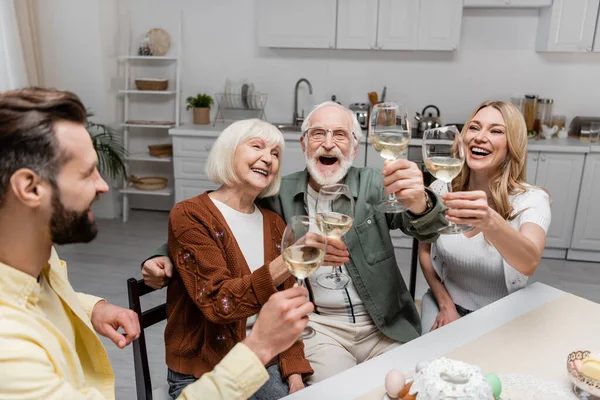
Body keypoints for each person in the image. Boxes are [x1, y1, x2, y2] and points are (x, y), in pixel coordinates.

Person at [0, 88, 315, 400]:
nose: (104, 185)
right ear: (29, 188)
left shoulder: (40, 260)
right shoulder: (11, 351)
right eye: (87, 173)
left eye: (275, 153)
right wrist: (259, 346)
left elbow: (45, 294)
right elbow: (220, 300)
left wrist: (92, 308)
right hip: (214, 368)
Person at [143, 101, 449, 384]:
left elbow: (427, 231)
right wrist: (164, 255)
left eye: (340, 135)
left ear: (355, 148)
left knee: (412, 387)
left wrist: (420, 202)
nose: (328, 143)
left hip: (384, 326)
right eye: (318, 134)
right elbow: (215, 220)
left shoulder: (374, 183)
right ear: (303, 145)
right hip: (321, 329)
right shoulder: (277, 195)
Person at [163, 119, 327, 399]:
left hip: (265, 362)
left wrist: (295, 374)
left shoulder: (274, 223)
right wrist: (287, 261)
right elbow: (219, 303)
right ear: (228, 152)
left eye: (275, 154)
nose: (268, 158)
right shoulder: (190, 215)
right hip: (208, 373)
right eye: (257, 146)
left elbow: (286, 308)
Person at [419, 100, 551, 334]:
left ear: (512, 145)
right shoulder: (441, 188)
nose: (480, 137)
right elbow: (425, 252)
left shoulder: (531, 199)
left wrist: (489, 221)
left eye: (496, 131)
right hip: (446, 308)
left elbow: (529, 262)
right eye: (474, 127)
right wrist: (445, 304)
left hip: (503, 318)